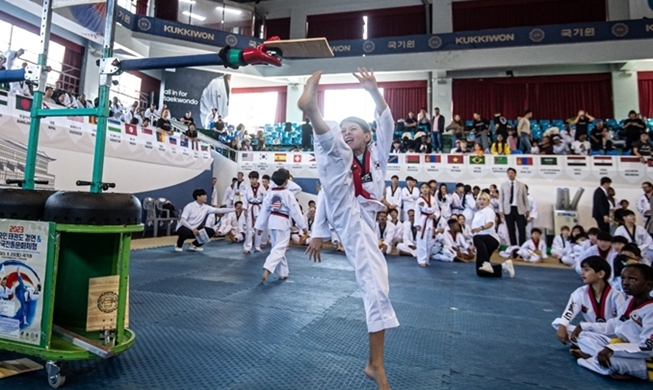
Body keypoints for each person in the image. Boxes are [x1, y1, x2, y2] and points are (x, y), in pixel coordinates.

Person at [299, 68, 399, 390]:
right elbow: (326, 194)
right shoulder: (344, 157)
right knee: (336, 156)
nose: (346, 132)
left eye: (352, 128)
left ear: (367, 135)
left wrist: (373, 91)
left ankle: (374, 364)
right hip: (345, 208)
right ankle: (312, 109)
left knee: (378, 287)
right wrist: (318, 231)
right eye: (341, 128)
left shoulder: (378, 155)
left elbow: (386, 124)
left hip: (365, 218)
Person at [572, 264, 653, 381]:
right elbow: (614, 325)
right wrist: (584, 326)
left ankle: (593, 359)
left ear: (648, 285)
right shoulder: (630, 301)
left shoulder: (651, 310)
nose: (625, 283)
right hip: (624, 347)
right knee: (583, 336)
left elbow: (648, 348)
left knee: (611, 362)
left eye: (632, 279)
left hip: (645, 359)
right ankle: (597, 358)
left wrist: (612, 349)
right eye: (623, 278)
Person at [551, 256, 624, 345]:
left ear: (600, 274)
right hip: (590, 332)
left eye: (586, 270)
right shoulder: (580, 292)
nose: (582, 273)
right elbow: (569, 312)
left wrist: (584, 326)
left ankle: (586, 348)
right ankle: (589, 347)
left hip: (611, 334)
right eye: (582, 270)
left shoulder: (616, 295)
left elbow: (621, 323)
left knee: (620, 334)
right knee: (559, 324)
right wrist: (562, 326)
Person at [256, 169, 307, 283]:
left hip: (272, 222)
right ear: (286, 181)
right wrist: (303, 226)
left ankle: (283, 273)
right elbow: (295, 211)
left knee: (277, 247)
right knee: (280, 248)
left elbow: (264, 211)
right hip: (282, 222)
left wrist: (259, 227)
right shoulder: (288, 194)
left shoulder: (270, 194)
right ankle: (268, 267)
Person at [472, 192, 515, 278]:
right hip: (480, 241)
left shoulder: (489, 210)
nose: (481, 201)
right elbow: (474, 232)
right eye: (480, 199)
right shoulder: (476, 214)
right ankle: (504, 266)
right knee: (481, 272)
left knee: (477, 238)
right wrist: (474, 243)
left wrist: (481, 228)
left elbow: (490, 223)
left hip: (491, 238)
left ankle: (486, 263)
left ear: (488, 201)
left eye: (484, 199)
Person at [499, 168, 529, 247]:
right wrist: (501, 209)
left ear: (515, 174)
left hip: (519, 208)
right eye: (509, 173)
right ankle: (513, 247)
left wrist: (527, 209)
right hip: (508, 209)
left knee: (522, 229)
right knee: (511, 230)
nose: (510, 174)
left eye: (512, 173)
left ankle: (522, 246)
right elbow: (501, 199)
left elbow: (525, 198)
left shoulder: (521, 185)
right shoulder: (503, 185)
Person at [414, 182, 440, 267]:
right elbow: (417, 213)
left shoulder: (433, 199)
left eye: (426, 187)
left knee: (430, 241)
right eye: (422, 188)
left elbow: (437, 210)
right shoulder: (419, 200)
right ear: (420, 190)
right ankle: (421, 260)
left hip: (431, 221)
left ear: (429, 189)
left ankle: (427, 259)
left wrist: (435, 215)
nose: (424, 189)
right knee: (421, 241)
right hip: (423, 221)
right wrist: (417, 224)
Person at [243, 171, 266, 254]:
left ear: (257, 179)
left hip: (259, 208)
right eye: (250, 179)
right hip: (250, 209)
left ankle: (257, 246)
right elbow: (244, 199)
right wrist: (245, 209)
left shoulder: (262, 188)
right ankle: (247, 247)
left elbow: (265, 200)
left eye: (253, 179)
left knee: (259, 228)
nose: (251, 181)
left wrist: (264, 211)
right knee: (249, 228)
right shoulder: (247, 187)